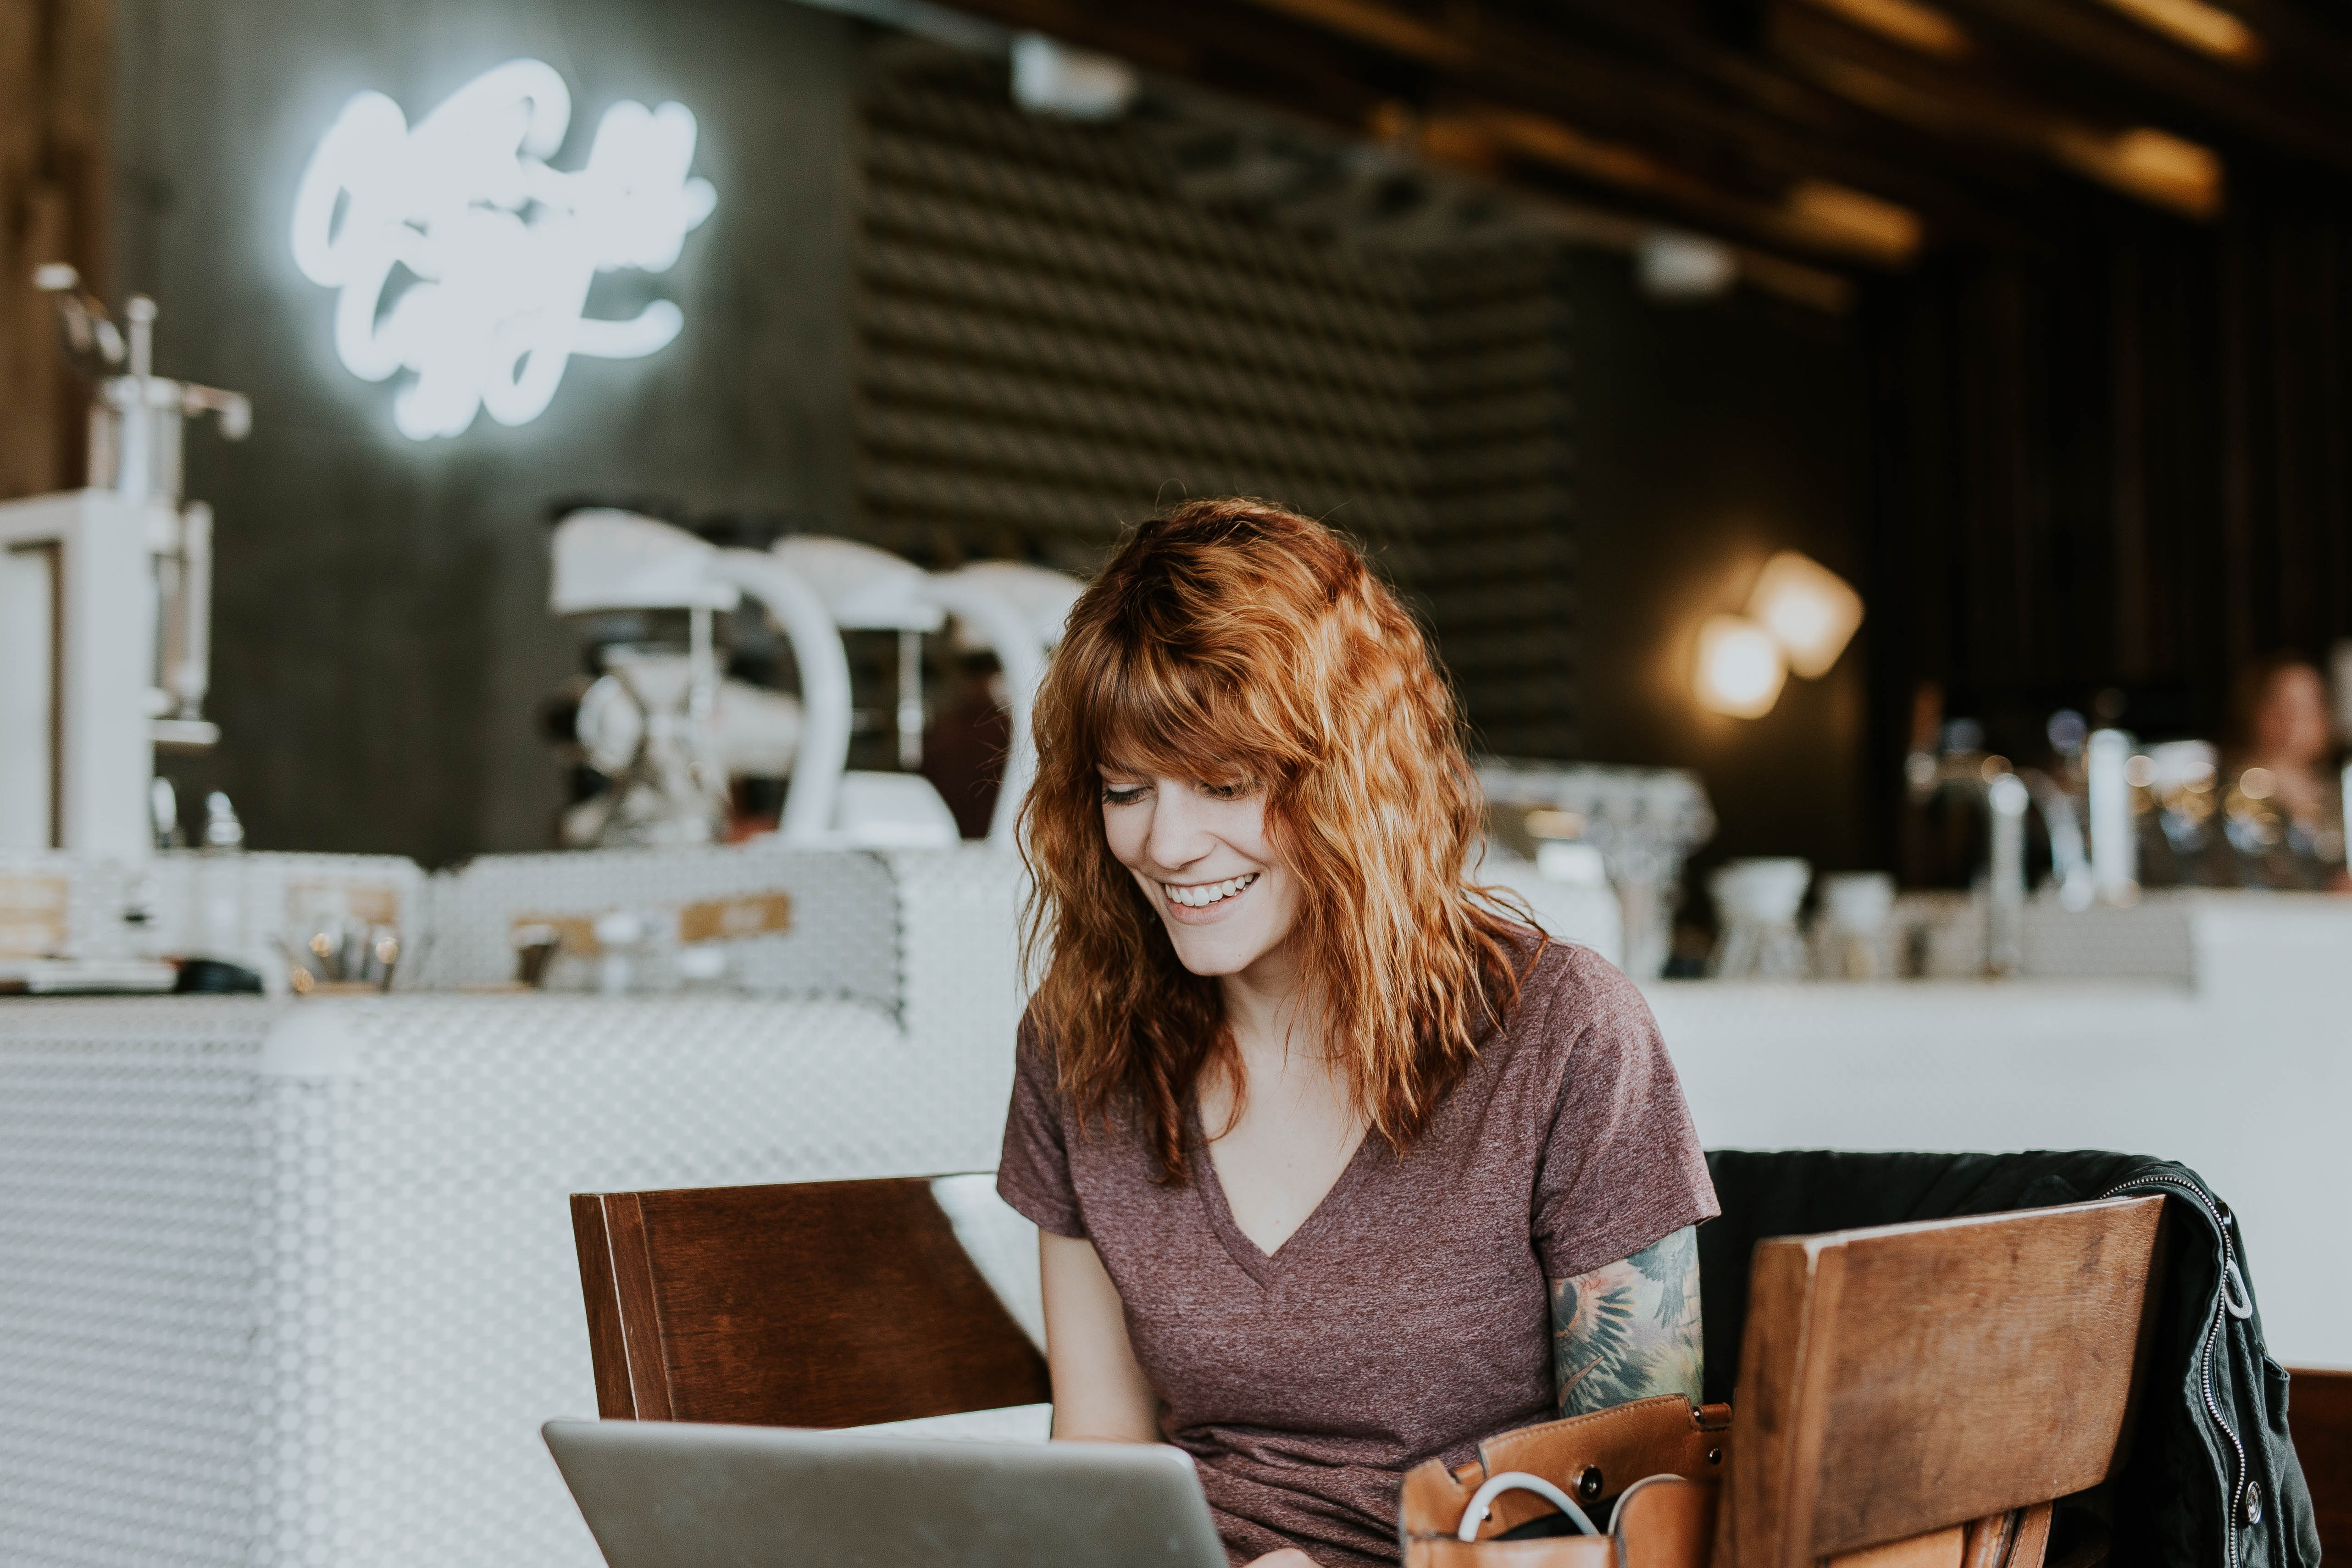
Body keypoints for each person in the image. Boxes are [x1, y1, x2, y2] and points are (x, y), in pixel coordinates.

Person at [995, 499, 1718, 1568]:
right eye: (1125, 788)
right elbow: (1097, 1466)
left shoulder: (1562, 1033)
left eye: (1225, 783)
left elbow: (1653, 1521)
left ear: (1348, 779)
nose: (1166, 842)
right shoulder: (1080, 1044)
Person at [2210, 653, 2349, 892]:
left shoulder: (2340, 792)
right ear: (2253, 709)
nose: (2295, 720)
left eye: (2310, 706)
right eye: (2282, 706)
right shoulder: (2225, 792)